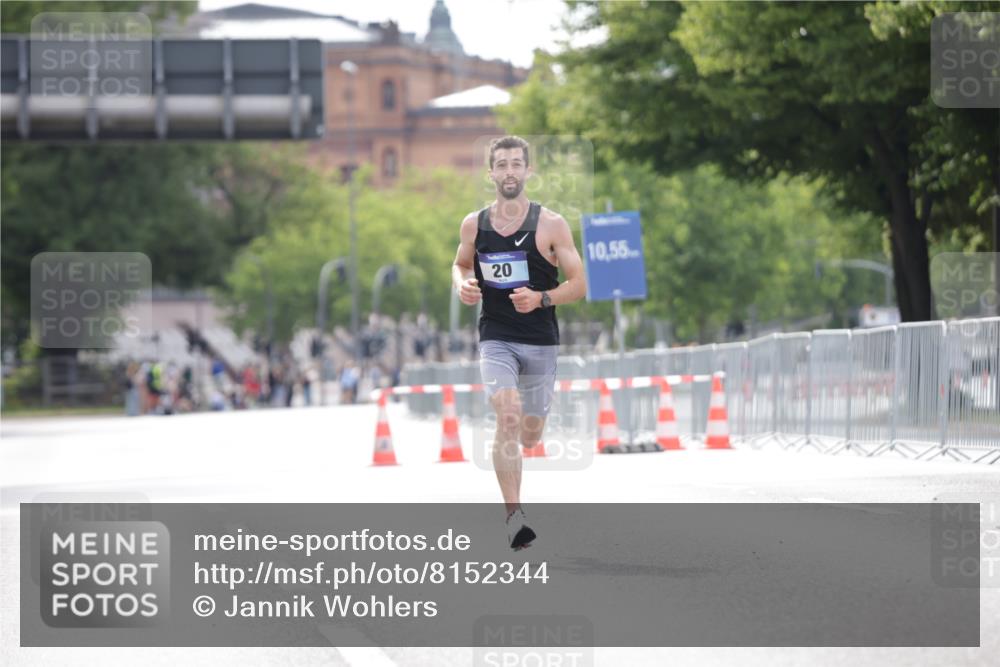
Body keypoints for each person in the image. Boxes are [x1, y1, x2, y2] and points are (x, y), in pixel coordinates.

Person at [451, 135, 586, 550]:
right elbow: (459, 264)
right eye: (502, 165)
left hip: (541, 341)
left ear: (528, 172)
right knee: (507, 416)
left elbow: (580, 284)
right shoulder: (475, 224)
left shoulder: (552, 224)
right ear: (490, 173)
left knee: (529, 435)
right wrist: (463, 285)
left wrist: (541, 298)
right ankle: (515, 518)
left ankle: (527, 448)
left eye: (516, 164)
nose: (509, 171)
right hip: (497, 337)